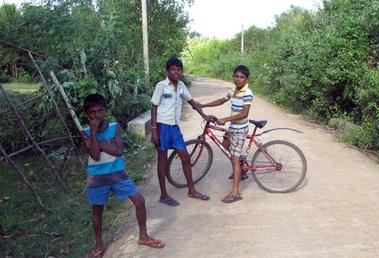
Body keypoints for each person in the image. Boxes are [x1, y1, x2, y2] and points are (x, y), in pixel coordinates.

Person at [81, 94, 165, 258]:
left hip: (118, 175)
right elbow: (95, 156)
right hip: (97, 178)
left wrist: (98, 143)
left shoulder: (114, 127)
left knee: (139, 201)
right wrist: (93, 133)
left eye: (100, 111)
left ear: (105, 111)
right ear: (87, 114)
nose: (97, 115)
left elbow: (119, 151)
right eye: (92, 112)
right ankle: (99, 244)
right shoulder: (85, 132)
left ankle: (143, 236)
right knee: (97, 210)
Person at [150, 57, 210, 206]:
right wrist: (153, 130)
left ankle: (192, 190)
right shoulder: (161, 86)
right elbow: (154, 107)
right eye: (173, 69)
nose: (176, 72)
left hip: (175, 127)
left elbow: (192, 102)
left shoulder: (182, 85)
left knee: (185, 156)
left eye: (179, 69)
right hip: (162, 126)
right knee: (162, 159)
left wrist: (205, 116)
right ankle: (164, 194)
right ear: (167, 71)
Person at [198, 65, 253, 203]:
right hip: (233, 127)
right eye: (236, 76)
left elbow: (244, 113)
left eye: (242, 77)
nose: (238, 80)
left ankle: (235, 192)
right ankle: (242, 169)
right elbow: (221, 100)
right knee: (225, 147)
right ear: (233, 77)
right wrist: (202, 105)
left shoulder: (247, 93)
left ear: (247, 79)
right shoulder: (233, 90)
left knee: (234, 158)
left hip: (240, 129)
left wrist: (225, 119)